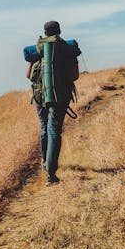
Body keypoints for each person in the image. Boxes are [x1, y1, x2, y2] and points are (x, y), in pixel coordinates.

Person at [26, 20, 80, 186]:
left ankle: (44, 160)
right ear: (59, 31)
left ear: (45, 32)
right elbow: (75, 76)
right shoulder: (67, 50)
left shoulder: (38, 50)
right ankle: (51, 174)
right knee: (54, 130)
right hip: (60, 97)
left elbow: (28, 75)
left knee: (44, 126)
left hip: (40, 96)